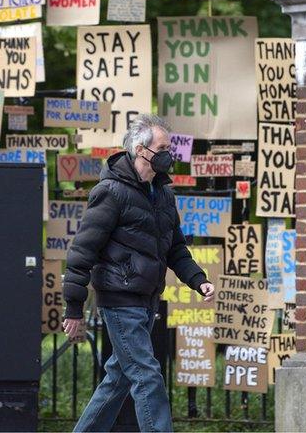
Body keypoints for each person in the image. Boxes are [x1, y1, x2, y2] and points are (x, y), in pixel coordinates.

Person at [62, 114, 214, 432]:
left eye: (169, 148)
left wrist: (199, 280)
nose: (168, 154)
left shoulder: (163, 195)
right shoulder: (111, 191)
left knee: (118, 379)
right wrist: (74, 308)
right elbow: (82, 252)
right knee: (147, 374)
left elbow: (175, 249)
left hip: (147, 300)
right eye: (163, 147)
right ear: (142, 150)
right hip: (120, 299)